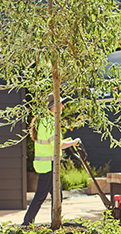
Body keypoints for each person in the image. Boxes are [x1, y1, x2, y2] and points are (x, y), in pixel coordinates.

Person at [22, 94, 79, 226]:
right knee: (41, 196)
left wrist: (69, 142)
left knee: (56, 196)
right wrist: (74, 142)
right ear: (53, 106)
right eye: (61, 104)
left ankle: (56, 222)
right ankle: (26, 224)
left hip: (46, 163)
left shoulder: (45, 120)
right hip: (49, 164)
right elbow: (57, 145)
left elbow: (55, 143)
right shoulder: (49, 122)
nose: (63, 106)